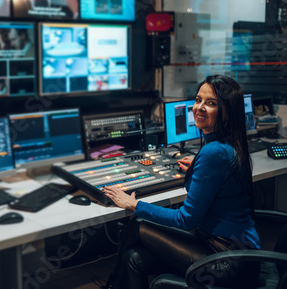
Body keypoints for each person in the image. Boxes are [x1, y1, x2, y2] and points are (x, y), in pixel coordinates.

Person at [103, 75, 260, 289]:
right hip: (237, 252)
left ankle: (112, 286)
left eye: (211, 103)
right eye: (198, 100)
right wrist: (199, 166)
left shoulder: (214, 153)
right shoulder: (229, 146)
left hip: (227, 259)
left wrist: (133, 204)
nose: (199, 107)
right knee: (134, 257)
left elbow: (185, 220)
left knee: (136, 224)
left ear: (227, 113)